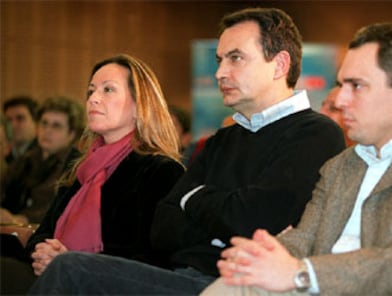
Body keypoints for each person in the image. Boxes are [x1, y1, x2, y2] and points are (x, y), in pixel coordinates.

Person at [28, 8, 345, 295]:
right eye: (220, 60)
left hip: (236, 285)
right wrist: (221, 213)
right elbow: (164, 228)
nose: (220, 73)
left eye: (236, 58)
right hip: (181, 276)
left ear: (279, 64)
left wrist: (194, 198)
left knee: (70, 269)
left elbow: (257, 220)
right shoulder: (224, 138)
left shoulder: (315, 133)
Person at [201, 22, 392, 295]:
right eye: (342, 85)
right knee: (238, 283)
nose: (341, 100)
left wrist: (303, 273)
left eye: (357, 86)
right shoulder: (340, 166)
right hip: (311, 285)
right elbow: (305, 237)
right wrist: (266, 255)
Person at [1, 54, 185, 295]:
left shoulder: (161, 170)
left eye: (108, 90)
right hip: (57, 276)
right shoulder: (82, 168)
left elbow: (153, 257)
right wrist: (44, 253)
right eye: (91, 91)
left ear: (140, 105)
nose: (93, 99)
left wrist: (73, 261)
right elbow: (45, 230)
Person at [1, 96, 85, 224]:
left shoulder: (75, 167)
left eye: (56, 126)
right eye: (44, 123)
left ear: (72, 134)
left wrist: (19, 219)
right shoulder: (24, 160)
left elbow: (55, 208)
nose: (47, 130)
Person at [2, 95, 38, 165]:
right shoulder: (4, 155)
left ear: (36, 122)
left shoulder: (45, 154)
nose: (13, 125)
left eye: (20, 118)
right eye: (9, 120)